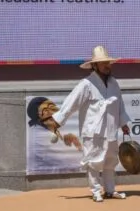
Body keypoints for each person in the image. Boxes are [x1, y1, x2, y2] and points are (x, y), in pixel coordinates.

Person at [49, 45, 131, 202]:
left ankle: (110, 190)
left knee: (110, 161)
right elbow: (71, 102)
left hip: (111, 129)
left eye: (108, 63)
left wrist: (123, 123)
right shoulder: (86, 84)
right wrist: (59, 120)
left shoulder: (114, 83)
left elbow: (120, 105)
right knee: (93, 161)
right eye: (103, 63)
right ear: (95, 66)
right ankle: (95, 191)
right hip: (92, 131)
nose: (107, 66)